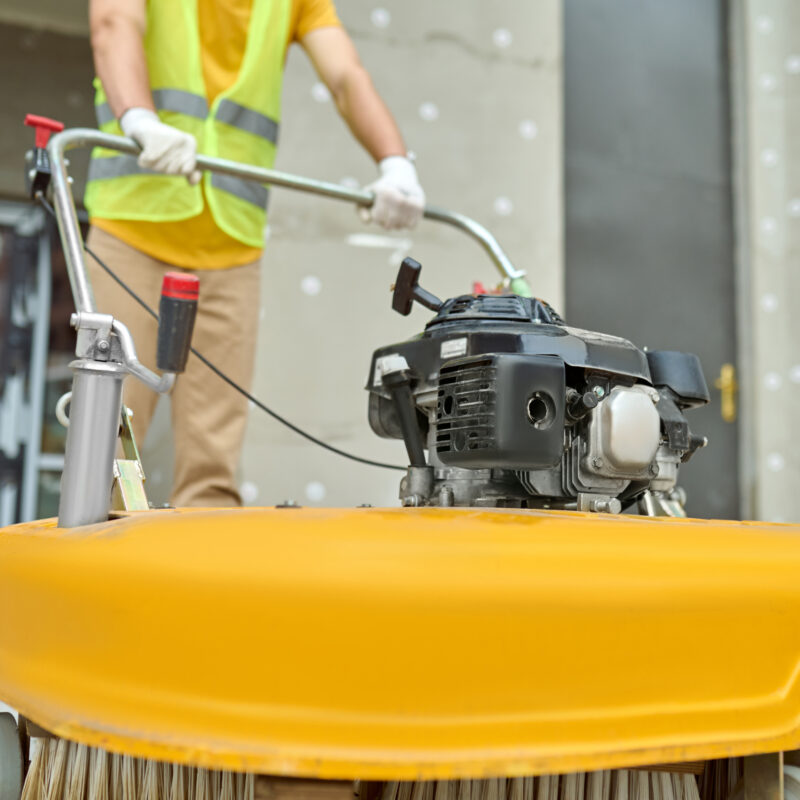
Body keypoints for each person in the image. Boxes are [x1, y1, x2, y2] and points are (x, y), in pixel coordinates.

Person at [85, 0, 425, 507]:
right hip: (132, 232)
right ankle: (94, 573)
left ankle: (202, 582)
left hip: (231, 251)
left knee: (211, 472)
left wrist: (395, 162)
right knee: (106, 447)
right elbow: (114, 23)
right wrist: (139, 120)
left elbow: (345, 77)